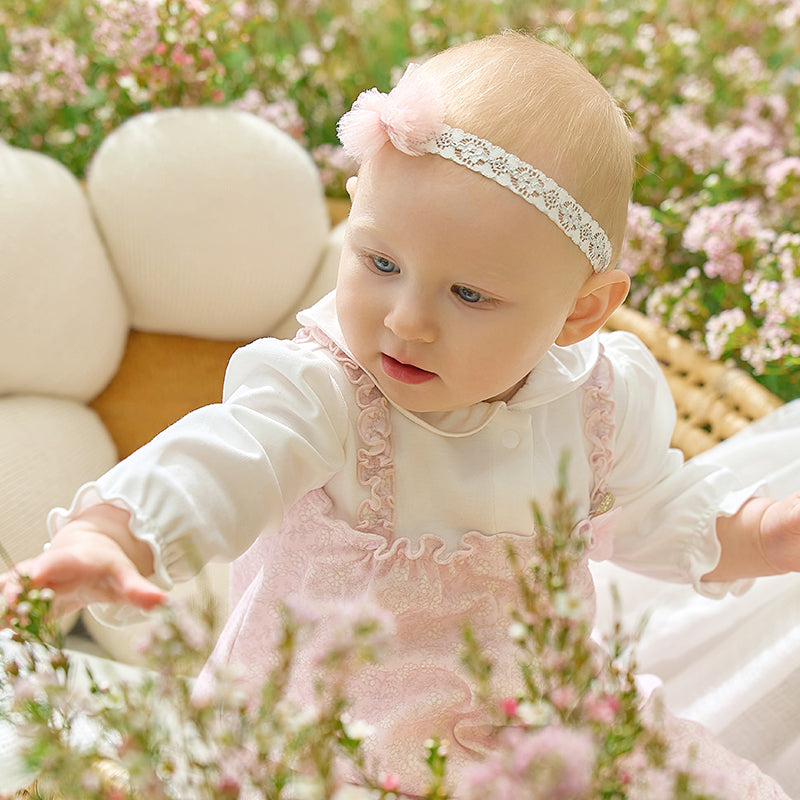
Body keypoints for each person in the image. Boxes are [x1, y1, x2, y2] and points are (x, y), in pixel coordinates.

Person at [2, 31, 798, 797]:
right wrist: (110, 533)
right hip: (328, 741)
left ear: (582, 310)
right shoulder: (326, 393)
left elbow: (665, 510)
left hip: (539, 732)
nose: (408, 320)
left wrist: (764, 533)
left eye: (470, 295)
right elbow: (221, 458)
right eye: (380, 262)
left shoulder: (596, 403)